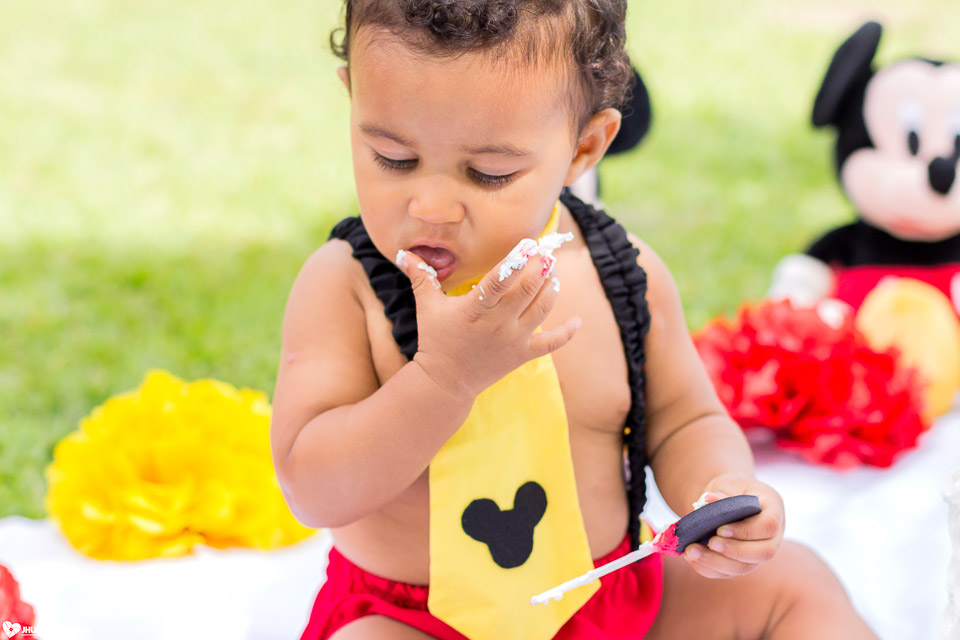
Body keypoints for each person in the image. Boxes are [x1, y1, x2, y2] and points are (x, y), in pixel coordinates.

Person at [270, 1, 879, 638]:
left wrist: (720, 490)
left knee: (795, 586)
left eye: (489, 172)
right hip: (418, 618)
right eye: (392, 157)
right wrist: (443, 379)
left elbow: (685, 418)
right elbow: (314, 488)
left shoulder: (620, 271)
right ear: (354, 99)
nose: (430, 206)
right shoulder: (348, 287)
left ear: (584, 147)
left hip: (613, 593)